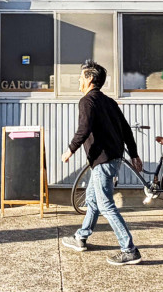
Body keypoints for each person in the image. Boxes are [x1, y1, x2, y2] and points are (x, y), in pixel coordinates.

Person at [61, 61, 143, 266]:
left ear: (90, 79)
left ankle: (129, 250)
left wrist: (70, 149)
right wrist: (134, 155)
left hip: (103, 161)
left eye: (81, 77)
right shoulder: (109, 102)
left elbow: (84, 128)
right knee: (92, 200)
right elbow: (126, 130)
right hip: (112, 159)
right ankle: (81, 237)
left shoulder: (87, 101)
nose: (79, 80)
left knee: (106, 205)